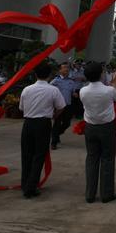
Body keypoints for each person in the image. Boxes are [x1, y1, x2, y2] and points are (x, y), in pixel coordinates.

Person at [18, 61, 66, 199]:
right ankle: (31, 186)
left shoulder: (27, 89)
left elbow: (21, 108)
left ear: (35, 74)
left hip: (28, 123)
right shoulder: (53, 90)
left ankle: (25, 183)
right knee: (39, 155)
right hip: (43, 123)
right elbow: (61, 106)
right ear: (50, 75)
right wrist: (53, 115)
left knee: (26, 154)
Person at [80, 62, 116, 203]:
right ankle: (106, 194)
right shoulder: (108, 90)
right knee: (107, 159)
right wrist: (114, 86)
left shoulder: (83, 91)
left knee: (91, 159)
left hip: (90, 127)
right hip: (106, 127)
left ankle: (90, 194)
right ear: (101, 74)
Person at [50, 62, 79, 150]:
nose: (66, 69)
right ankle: (53, 143)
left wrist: (74, 94)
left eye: (67, 68)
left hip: (68, 105)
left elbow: (73, 92)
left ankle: (56, 134)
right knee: (57, 123)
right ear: (60, 70)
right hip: (58, 106)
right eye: (64, 68)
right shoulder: (55, 81)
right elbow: (49, 90)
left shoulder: (71, 81)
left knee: (67, 123)